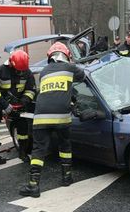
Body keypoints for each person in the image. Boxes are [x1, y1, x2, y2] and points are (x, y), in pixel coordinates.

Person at [18, 42, 85, 198]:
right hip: (62, 117)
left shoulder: (44, 71)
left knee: (39, 150)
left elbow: (53, 92)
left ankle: (33, 186)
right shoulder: (70, 68)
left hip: (41, 117)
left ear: (50, 57)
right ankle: (67, 177)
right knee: (65, 146)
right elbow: (82, 77)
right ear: (66, 55)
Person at [0, 49, 36, 162]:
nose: (20, 73)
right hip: (1, 106)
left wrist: (23, 101)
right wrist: (2, 104)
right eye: (18, 70)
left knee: (23, 131)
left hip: (19, 108)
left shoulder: (27, 72)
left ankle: (23, 152)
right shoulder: (0, 71)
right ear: (11, 63)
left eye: (22, 71)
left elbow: (31, 90)